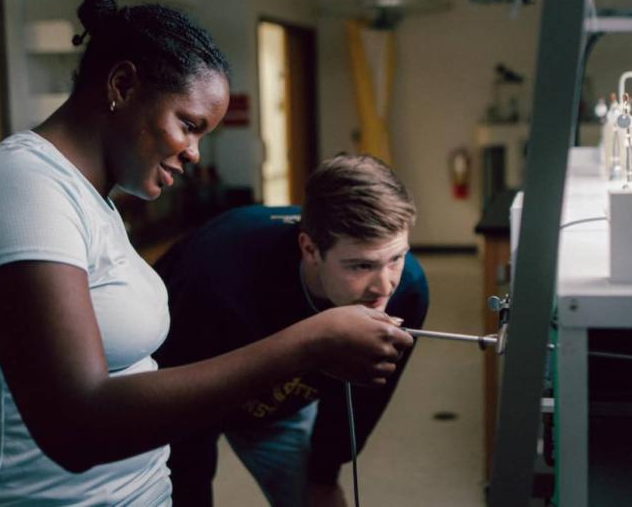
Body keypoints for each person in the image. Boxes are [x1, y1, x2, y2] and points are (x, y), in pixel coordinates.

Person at [0, 0, 413, 506]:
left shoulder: (93, 203)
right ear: (123, 85)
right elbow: (76, 428)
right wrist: (306, 344)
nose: (195, 153)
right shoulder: (23, 191)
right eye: (189, 125)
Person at [153, 154, 429, 507]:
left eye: (396, 258)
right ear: (310, 249)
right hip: (192, 389)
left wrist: (324, 475)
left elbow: (363, 397)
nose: (385, 285)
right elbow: (173, 410)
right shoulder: (212, 273)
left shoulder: (409, 288)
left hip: (280, 408)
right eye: (362, 265)